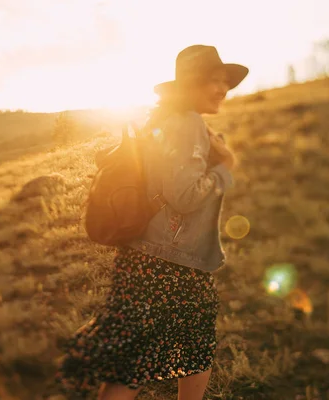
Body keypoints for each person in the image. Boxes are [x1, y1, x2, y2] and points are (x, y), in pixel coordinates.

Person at [56, 45, 249, 400]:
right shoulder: (187, 123)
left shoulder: (163, 121)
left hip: (144, 255)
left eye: (226, 81)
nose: (223, 89)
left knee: (133, 359)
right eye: (214, 80)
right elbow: (185, 195)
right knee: (194, 348)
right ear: (192, 85)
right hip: (171, 260)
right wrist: (224, 170)